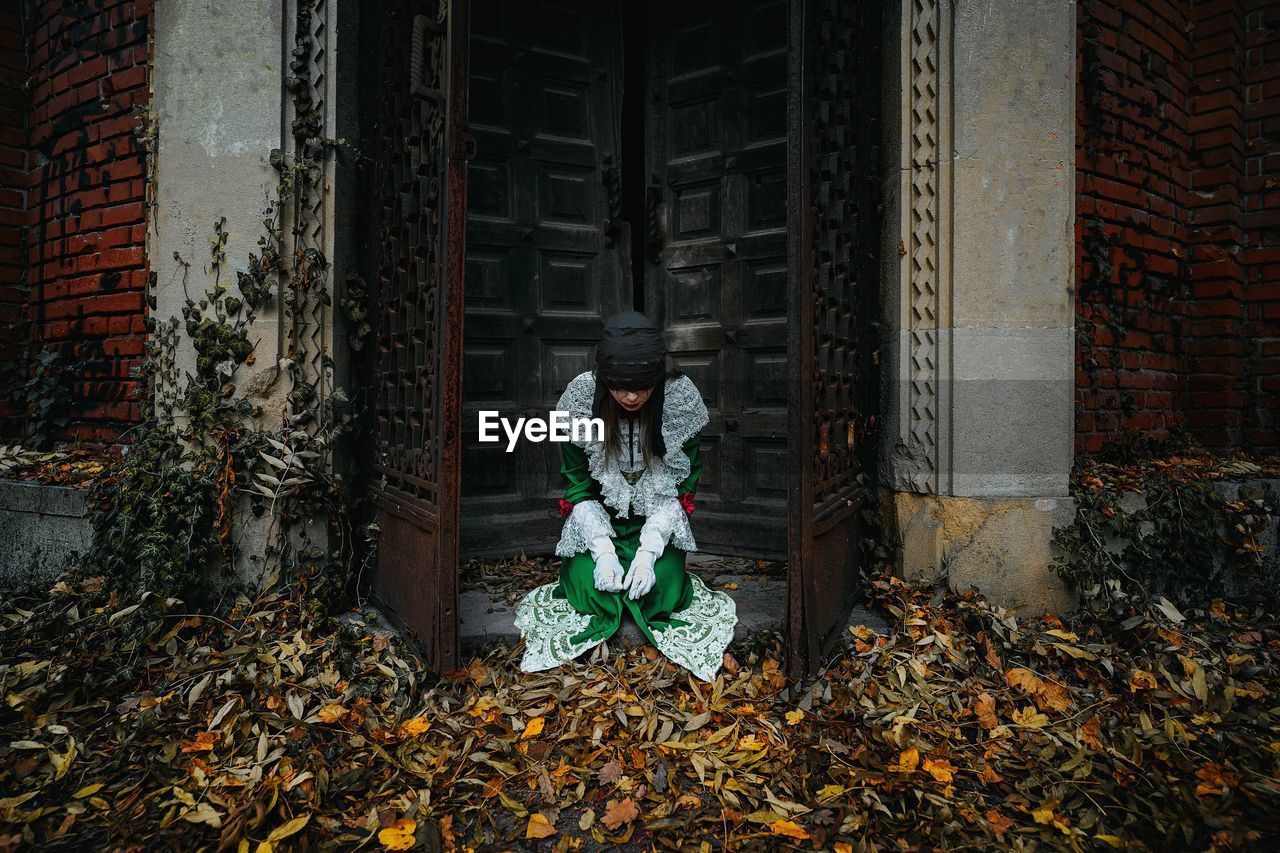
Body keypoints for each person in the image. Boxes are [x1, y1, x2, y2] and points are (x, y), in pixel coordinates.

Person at [514, 311, 738, 682]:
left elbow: (683, 488)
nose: (632, 396)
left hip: (656, 525)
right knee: (590, 582)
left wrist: (650, 553)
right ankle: (600, 562)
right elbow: (578, 485)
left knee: (660, 589)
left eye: (642, 386)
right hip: (599, 527)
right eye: (620, 386)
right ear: (604, 381)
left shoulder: (678, 402)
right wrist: (602, 552)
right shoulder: (581, 402)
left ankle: (650, 564)